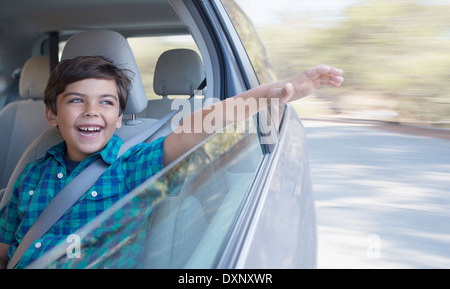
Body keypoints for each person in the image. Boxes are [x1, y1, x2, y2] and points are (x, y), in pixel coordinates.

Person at [0, 55, 343, 268]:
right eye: (76, 100)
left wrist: (271, 94)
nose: (92, 110)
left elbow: (196, 127)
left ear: (120, 118)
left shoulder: (131, 165)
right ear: (51, 113)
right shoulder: (31, 173)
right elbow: (5, 248)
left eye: (106, 102)